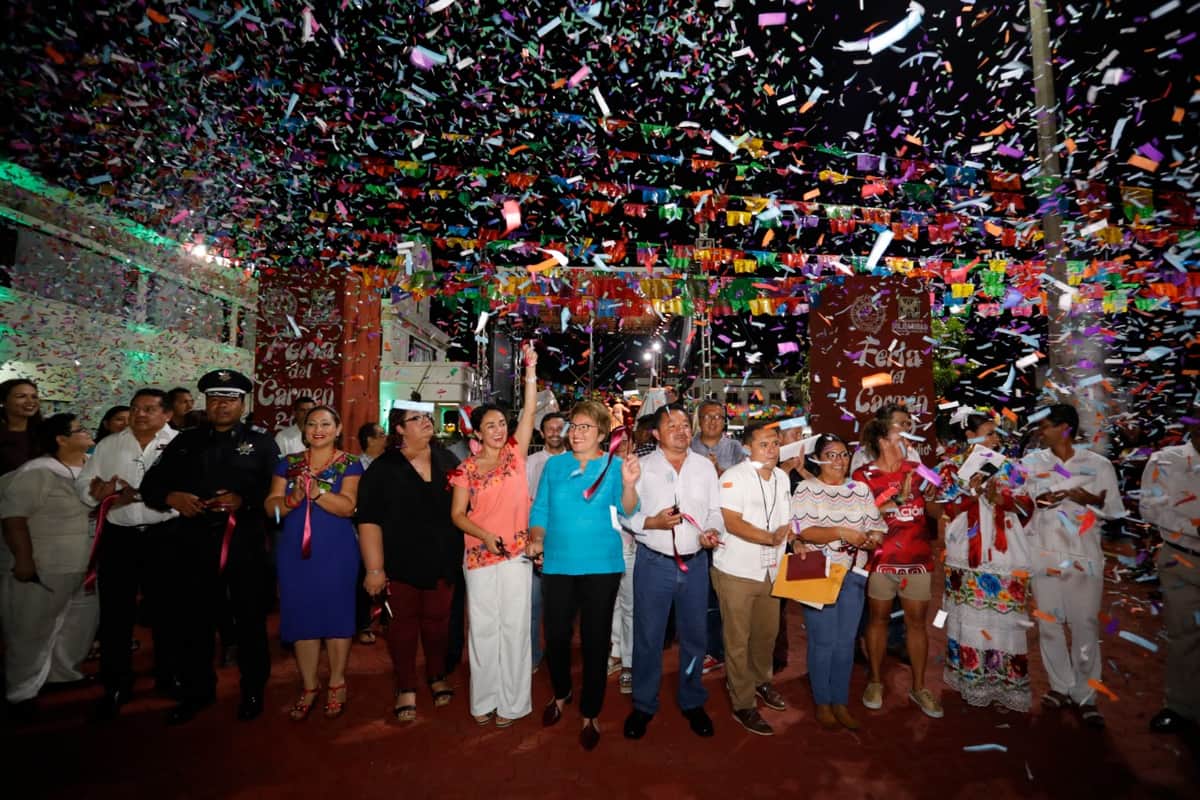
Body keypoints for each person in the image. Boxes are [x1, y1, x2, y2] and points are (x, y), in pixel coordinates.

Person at [140, 370, 280, 725]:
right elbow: (151, 485)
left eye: (230, 399)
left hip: (243, 544)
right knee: (193, 622)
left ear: (243, 404)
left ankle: (252, 689)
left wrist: (244, 500)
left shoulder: (262, 442)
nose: (222, 405)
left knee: (249, 621)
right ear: (206, 401)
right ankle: (197, 691)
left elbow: (275, 492)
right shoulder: (185, 441)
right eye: (215, 398)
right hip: (192, 545)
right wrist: (172, 496)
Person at [526, 399, 640, 751]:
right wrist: (537, 536)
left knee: (595, 640)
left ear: (603, 433)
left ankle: (591, 710)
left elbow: (628, 509)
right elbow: (541, 507)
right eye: (573, 426)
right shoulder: (554, 466)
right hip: (558, 563)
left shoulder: (615, 465)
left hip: (602, 565)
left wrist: (631, 484)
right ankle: (562, 692)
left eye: (584, 427)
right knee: (557, 636)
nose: (575, 432)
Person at [450, 342, 539, 727]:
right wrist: (485, 536)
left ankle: (514, 703)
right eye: (491, 426)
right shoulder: (466, 469)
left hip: (517, 553)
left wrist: (530, 372)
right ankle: (483, 700)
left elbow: (531, 409)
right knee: (483, 629)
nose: (500, 430)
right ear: (479, 431)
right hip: (480, 556)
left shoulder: (515, 457)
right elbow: (457, 515)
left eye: (503, 424)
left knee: (515, 628)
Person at [622, 405, 723, 741]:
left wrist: (712, 532)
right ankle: (643, 704)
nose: (681, 430)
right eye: (672, 425)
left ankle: (692, 699)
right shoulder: (642, 467)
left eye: (684, 424)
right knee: (648, 638)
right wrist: (652, 522)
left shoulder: (704, 468)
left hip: (695, 564)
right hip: (654, 563)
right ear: (656, 433)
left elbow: (715, 511)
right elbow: (624, 514)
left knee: (695, 638)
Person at [357, 401, 462, 723]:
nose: (427, 423)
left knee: (438, 623)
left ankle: (436, 675)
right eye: (416, 419)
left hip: (443, 560)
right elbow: (369, 521)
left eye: (427, 417)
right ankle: (406, 687)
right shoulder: (382, 468)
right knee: (401, 627)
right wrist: (374, 569)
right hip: (399, 563)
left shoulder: (448, 459)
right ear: (399, 429)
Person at [78, 389, 179, 719]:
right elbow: (85, 483)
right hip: (120, 537)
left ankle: (168, 675)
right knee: (115, 614)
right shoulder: (110, 444)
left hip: (164, 535)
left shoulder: (181, 443)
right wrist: (97, 492)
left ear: (166, 414)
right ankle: (116, 683)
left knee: (167, 610)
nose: (140, 414)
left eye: (149, 409)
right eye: (136, 408)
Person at [1022, 404, 1124, 728]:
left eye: (1047, 425)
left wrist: (1089, 500)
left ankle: (1085, 696)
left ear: (1065, 428)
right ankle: (1060, 686)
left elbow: (1114, 509)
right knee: (1049, 625)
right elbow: (1019, 501)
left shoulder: (1098, 464)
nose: (1041, 431)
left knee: (1085, 626)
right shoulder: (1031, 462)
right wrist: (1035, 503)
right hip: (1043, 554)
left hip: (1083, 557)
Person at [265, 406, 363, 720]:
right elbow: (273, 512)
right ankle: (309, 685)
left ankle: (337, 681)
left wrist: (317, 493)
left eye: (325, 424)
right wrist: (290, 501)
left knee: (336, 614)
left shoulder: (350, 464)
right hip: (294, 551)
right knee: (301, 614)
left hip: (336, 552)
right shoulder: (287, 464)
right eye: (311, 424)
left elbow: (348, 508)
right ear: (304, 430)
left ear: (337, 430)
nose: (318, 429)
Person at [0, 413, 99, 721]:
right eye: (79, 429)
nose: (87, 432)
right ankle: (21, 693)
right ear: (61, 439)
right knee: (32, 629)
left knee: (77, 626)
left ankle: (62, 675)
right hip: (47, 564)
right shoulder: (38, 472)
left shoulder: (91, 468)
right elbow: (13, 518)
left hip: (85, 564)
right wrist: (24, 559)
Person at [939, 412, 1036, 713]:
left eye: (996, 433)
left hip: (1005, 553)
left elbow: (1028, 506)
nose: (995, 439)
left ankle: (1005, 683)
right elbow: (941, 508)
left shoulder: (1011, 467)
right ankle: (972, 681)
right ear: (969, 435)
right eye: (988, 432)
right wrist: (970, 491)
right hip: (965, 552)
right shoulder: (951, 467)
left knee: (1005, 621)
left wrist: (1001, 500)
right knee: (968, 618)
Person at [792, 434, 886, 730]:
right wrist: (844, 533)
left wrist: (872, 539)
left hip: (853, 572)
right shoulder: (807, 488)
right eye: (831, 455)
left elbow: (876, 528)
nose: (839, 461)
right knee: (822, 641)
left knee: (846, 642)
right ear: (817, 459)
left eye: (844, 454)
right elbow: (804, 531)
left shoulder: (859, 489)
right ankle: (822, 701)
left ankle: (840, 700)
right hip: (815, 568)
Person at [853, 418, 944, 718]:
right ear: (882, 441)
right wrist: (897, 499)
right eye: (899, 436)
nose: (906, 441)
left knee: (917, 624)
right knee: (877, 620)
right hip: (881, 560)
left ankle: (919, 687)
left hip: (917, 560)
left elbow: (937, 510)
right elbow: (860, 514)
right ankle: (876, 681)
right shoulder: (862, 475)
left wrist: (932, 497)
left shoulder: (920, 470)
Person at [714, 422, 793, 736]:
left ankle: (762, 682)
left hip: (772, 571)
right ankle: (743, 703)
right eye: (764, 444)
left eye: (775, 443)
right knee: (738, 640)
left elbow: (787, 520)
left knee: (766, 635)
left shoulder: (783, 478)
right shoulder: (733, 477)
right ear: (747, 447)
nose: (772, 449)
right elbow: (732, 523)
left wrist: (791, 538)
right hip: (736, 571)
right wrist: (769, 537)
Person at [1139, 405, 1200, 734]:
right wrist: (1193, 526)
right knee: (1184, 635)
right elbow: (1149, 507)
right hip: (1181, 559)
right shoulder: (1166, 460)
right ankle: (1180, 707)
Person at [690, 398, 744, 675]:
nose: (713, 421)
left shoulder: (734, 448)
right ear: (698, 420)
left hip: (730, 531)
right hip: (696, 531)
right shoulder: (688, 446)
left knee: (727, 594)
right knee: (702, 595)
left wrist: (720, 473)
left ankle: (723, 649)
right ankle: (708, 649)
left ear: (725, 421)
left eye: (718, 417)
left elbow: (746, 484)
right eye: (708, 416)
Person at [525, 412, 566, 671]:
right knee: (533, 603)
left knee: (562, 606)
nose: (554, 433)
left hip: (566, 542)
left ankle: (558, 654)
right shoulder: (530, 462)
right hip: (537, 540)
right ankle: (532, 656)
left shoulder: (577, 461)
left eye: (559, 428)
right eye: (549, 428)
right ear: (541, 433)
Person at [849, 403, 922, 473]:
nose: (907, 428)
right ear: (884, 426)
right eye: (902, 423)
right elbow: (857, 484)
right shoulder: (863, 455)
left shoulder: (911, 453)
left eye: (908, 424)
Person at [0, 378, 42, 475]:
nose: (30, 401)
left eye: (34, 397)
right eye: (21, 396)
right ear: (3, 401)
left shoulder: (44, 433)